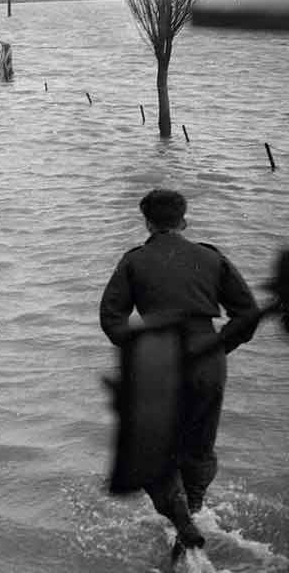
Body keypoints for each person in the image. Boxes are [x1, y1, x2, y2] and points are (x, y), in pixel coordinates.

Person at [99, 188, 260, 556]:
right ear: (184, 220)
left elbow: (111, 317)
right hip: (207, 359)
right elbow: (246, 314)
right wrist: (220, 346)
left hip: (158, 359)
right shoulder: (210, 257)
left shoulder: (134, 261)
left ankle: (180, 519)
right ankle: (193, 515)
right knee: (199, 447)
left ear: (147, 222)